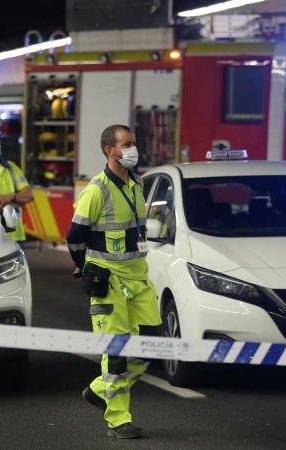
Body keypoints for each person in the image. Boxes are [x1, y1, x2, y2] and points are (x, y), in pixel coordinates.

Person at [66, 124, 161, 439]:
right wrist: (84, 266)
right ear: (110, 150)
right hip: (110, 282)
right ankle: (118, 419)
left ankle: (99, 389)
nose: (134, 149)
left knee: (152, 346)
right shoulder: (97, 190)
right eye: (128, 144)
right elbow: (74, 236)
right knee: (117, 353)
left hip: (139, 279)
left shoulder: (137, 184)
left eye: (134, 143)